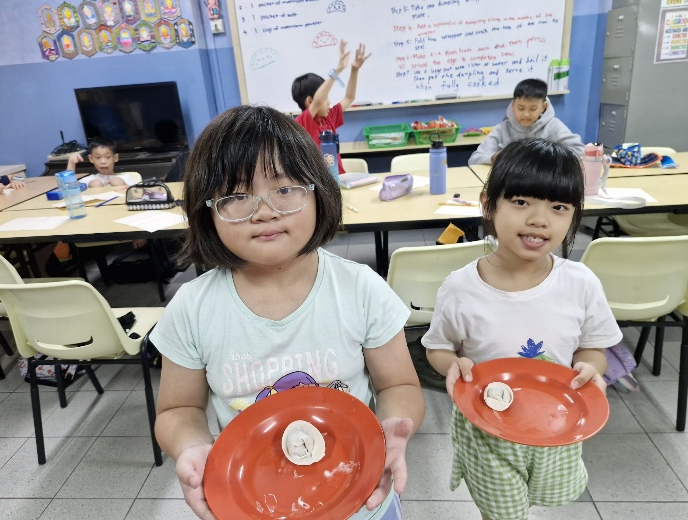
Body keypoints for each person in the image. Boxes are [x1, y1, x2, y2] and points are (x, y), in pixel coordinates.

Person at [150, 105, 425, 520]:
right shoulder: (192, 308)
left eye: (285, 188)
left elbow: (398, 386)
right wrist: (190, 446)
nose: (264, 210)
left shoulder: (361, 288)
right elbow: (178, 410)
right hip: (255, 501)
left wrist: (392, 429)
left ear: (318, 191)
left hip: (360, 493)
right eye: (237, 195)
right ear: (207, 210)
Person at [423, 138, 623, 520]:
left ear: (574, 216)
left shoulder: (580, 283)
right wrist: (451, 366)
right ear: (488, 204)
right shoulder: (461, 287)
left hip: (553, 421)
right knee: (501, 513)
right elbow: (437, 347)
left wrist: (590, 368)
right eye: (520, 202)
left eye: (558, 207)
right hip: (486, 427)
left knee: (544, 494)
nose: (539, 219)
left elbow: (592, 348)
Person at [292, 40, 371, 174]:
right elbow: (318, 101)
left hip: (339, 180)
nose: (329, 102)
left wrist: (354, 70)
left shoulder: (329, 117)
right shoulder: (302, 123)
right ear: (309, 101)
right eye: (326, 97)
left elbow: (349, 97)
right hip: (320, 185)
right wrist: (338, 69)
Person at [468, 78, 584, 166]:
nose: (526, 114)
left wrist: (549, 158)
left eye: (533, 109)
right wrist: (494, 158)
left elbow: (580, 152)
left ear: (543, 107)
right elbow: (474, 159)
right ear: (513, 105)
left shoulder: (553, 126)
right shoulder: (502, 129)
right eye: (521, 108)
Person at [66, 136, 138, 187]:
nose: (103, 161)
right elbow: (68, 189)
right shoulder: (89, 180)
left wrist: (123, 185)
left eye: (108, 157)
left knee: (117, 182)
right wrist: (71, 163)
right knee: (95, 184)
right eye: (98, 157)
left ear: (115, 158)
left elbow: (139, 195)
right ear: (91, 159)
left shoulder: (126, 178)